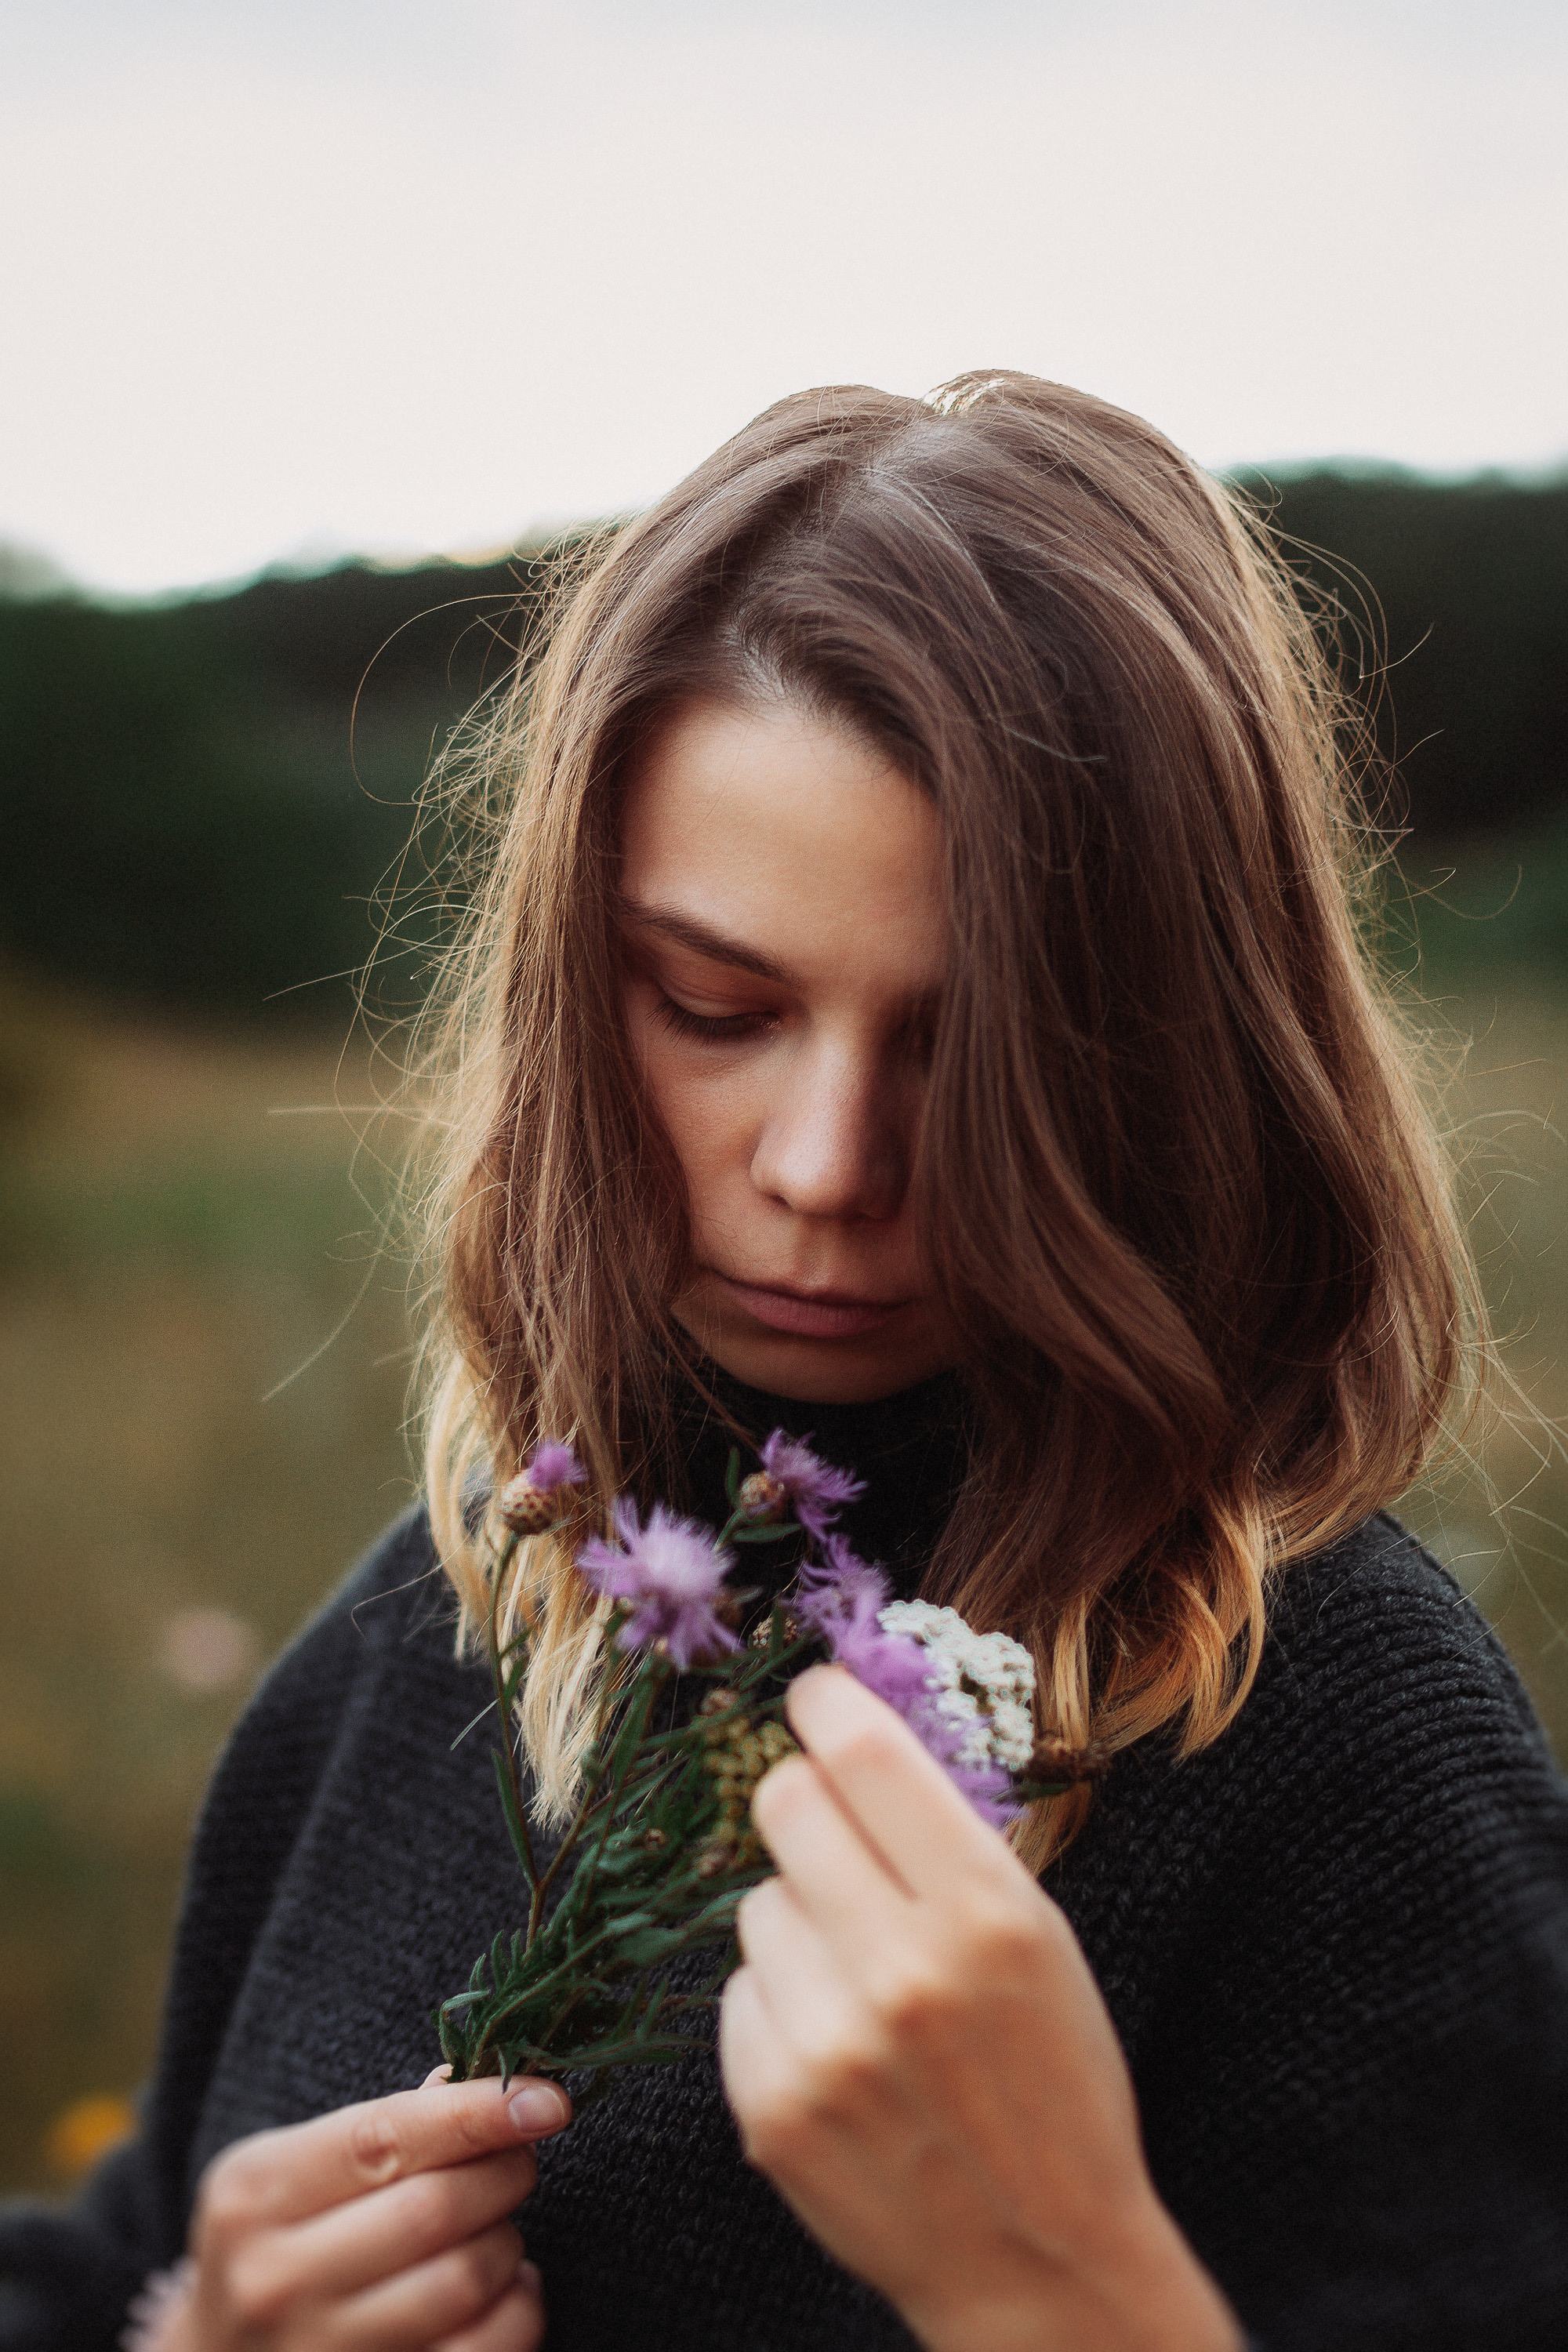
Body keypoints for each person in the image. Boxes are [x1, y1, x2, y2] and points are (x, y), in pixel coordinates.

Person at [3, 371, 1566, 2352]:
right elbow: (129, 2231)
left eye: (968, 1048)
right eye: (713, 1006)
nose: (827, 1170)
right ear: (576, 987)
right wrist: (186, 2328)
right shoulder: (458, 1604)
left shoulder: (1344, 1755)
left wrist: (1055, 2285)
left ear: (1178, 1060)